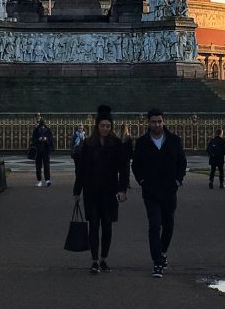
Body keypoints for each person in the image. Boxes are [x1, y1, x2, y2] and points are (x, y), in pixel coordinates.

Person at [131, 107, 187, 277]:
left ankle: (162, 252)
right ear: (148, 122)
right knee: (154, 225)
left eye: (159, 121)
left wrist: (178, 180)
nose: (157, 124)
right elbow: (136, 165)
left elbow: (182, 162)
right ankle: (157, 261)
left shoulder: (174, 140)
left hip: (170, 189)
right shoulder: (142, 142)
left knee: (168, 225)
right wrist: (141, 181)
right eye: (154, 121)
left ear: (164, 121)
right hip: (151, 191)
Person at [73, 105, 129, 273]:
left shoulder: (117, 144)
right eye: (103, 125)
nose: (105, 128)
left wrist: (122, 189)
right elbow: (81, 170)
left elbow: (124, 168)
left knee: (107, 225)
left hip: (110, 191)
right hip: (91, 191)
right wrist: (77, 191)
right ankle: (95, 260)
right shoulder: (88, 144)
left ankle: (104, 257)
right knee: (94, 224)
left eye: (108, 126)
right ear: (97, 126)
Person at [31, 116, 55, 187]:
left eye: (43, 123)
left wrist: (46, 139)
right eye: (41, 123)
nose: (42, 124)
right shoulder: (36, 130)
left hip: (46, 150)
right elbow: (33, 140)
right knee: (38, 166)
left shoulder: (48, 130)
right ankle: (39, 180)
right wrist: (39, 139)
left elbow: (51, 139)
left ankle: (47, 180)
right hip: (38, 150)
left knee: (47, 166)